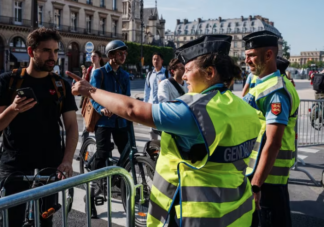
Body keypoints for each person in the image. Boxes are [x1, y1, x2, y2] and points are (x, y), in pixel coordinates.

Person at [69, 35, 261, 227]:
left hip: (197, 216)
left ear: (210, 72)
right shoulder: (247, 110)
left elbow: (131, 109)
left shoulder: (195, 111)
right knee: (103, 153)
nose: (184, 77)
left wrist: (90, 90)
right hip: (238, 214)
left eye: (188, 70)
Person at [0, 27, 78, 226]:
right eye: (46, 51)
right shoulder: (8, 81)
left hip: (49, 164)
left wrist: (67, 160)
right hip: (15, 165)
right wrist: (13, 108)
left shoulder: (61, 85)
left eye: (54, 51)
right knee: (12, 220)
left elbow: (71, 127)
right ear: (30, 52)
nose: (53, 56)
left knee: (45, 221)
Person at [242, 30, 300, 227]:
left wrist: (256, 185)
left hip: (268, 179)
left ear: (269, 55)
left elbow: (274, 143)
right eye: (246, 56)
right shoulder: (262, 83)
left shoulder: (275, 92)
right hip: (261, 173)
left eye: (251, 56)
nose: (246, 61)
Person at [88, 40, 130, 218]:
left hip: (120, 121)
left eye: (125, 54)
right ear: (111, 55)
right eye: (120, 53)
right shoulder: (99, 73)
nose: (123, 56)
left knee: (127, 153)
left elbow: (127, 98)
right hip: (104, 121)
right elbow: (92, 95)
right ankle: (92, 188)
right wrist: (101, 109)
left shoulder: (125, 75)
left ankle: (117, 180)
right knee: (103, 151)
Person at [144, 53, 168, 139]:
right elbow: (147, 91)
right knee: (152, 132)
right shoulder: (150, 74)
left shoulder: (167, 73)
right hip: (151, 107)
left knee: (164, 132)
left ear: (162, 60)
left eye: (157, 59)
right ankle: (154, 149)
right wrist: (145, 104)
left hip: (163, 108)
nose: (155, 61)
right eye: (153, 59)